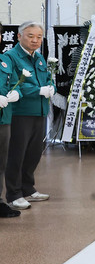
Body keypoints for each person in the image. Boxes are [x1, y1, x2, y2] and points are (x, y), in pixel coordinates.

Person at [4, 21, 54, 211]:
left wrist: (51, 87)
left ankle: (28, 188)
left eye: (39, 37)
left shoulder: (39, 58)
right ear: (19, 36)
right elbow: (13, 83)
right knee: (17, 153)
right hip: (21, 113)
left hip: (39, 111)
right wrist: (38, 90)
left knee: (34, 153)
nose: (35, 40)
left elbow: (48, 79)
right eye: (30, 36)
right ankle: (14, 194)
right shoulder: (11, 57)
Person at [0, 28, 21, 218]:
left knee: (1, 162)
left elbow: (15, 83)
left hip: (3, 119)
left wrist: (16, 93)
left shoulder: (4, 61)